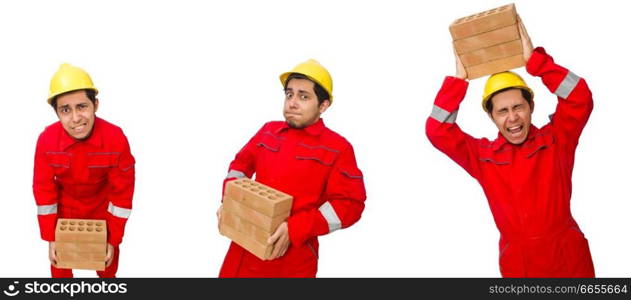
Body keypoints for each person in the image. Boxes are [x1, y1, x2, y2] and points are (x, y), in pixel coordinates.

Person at [426, 20, 595, 277]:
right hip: (520, 265)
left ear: (531, 108)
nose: (513, 118)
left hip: (568, 258)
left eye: (518, 107)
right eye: (502, 111)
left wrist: (537, 63)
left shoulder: (557, 140)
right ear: (492, 117)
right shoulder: (484, 158)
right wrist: (458, 81)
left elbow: (579, 97)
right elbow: (437, 130)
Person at [217, 59, 366, 277]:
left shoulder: (337, 148)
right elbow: (239, 167)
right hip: (243, 247)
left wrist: (296, 228)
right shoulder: (268, 131)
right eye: (289, 94)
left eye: (303, 96)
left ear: (323, 105)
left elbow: (350, 204)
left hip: (289, 258)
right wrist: (230, 200)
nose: (292, 103)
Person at [33, 63, 135, 278]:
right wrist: (51, 237)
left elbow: (122, 195)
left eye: (82, 106)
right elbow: (44, 193)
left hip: (103, 216)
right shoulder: (46, 141)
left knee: (107, 274)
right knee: (60, 276)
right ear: (57, 113)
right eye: (65, 110)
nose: (76, 118)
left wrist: (112, 239)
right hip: (64, 216)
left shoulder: (115, 138)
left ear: (95, 105)